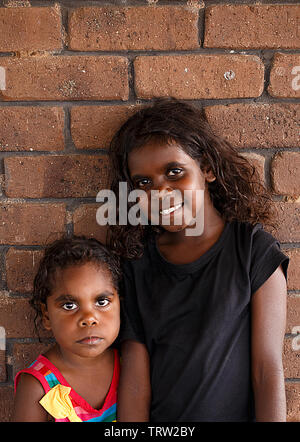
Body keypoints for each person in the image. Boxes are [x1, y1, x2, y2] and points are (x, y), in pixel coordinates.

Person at [108, 98, 289, 422]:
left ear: (206, 168)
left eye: (174, 172)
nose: (161, 193)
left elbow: (267, 371)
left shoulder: (251, 251)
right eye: (144, 183)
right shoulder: (138, 265)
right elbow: (135, 382)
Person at [13, 236, 121, 422]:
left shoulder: (129, 365)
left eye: (101, 302)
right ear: (46, 316)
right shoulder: (38, 386)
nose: (89, 319)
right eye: (69, 305)